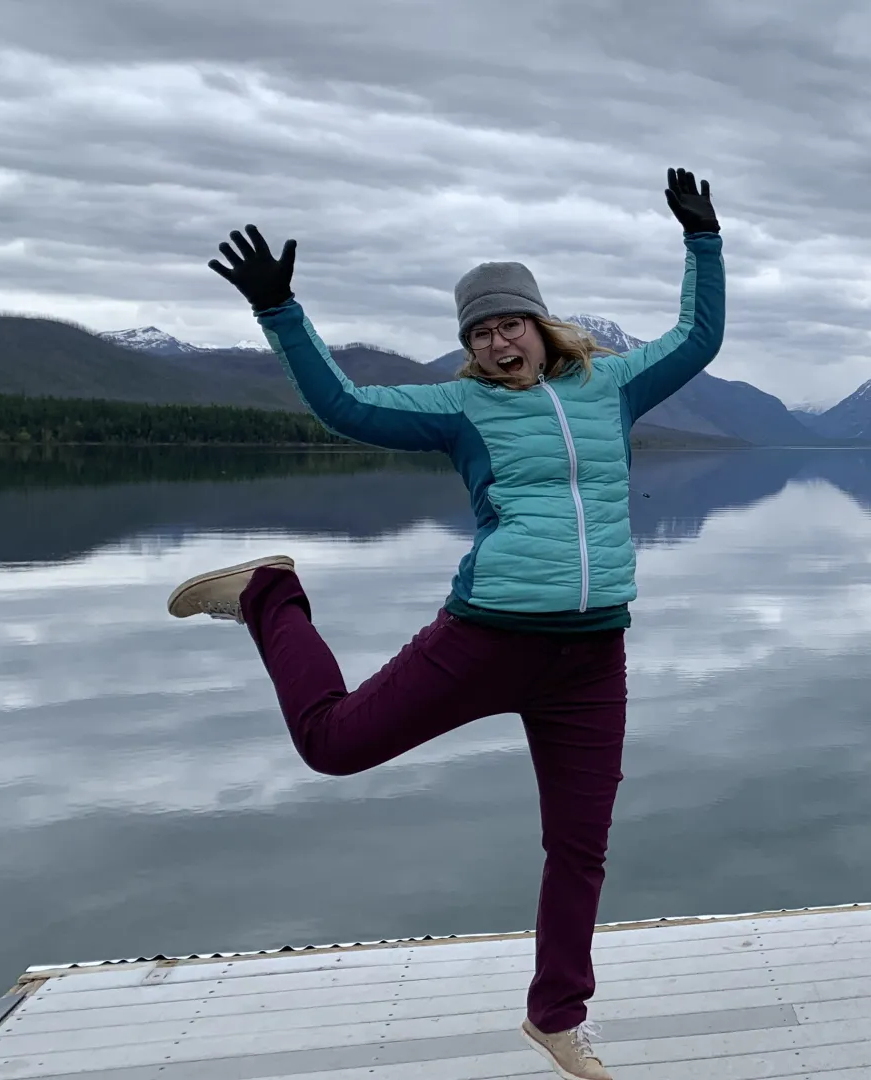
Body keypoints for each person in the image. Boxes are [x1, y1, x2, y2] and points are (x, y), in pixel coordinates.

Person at [165, 169, 725, 1080]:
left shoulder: (613, 387)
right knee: (334, 746)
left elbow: (699, 336)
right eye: (479, 331)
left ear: (542, 324)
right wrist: (283, 314)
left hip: (592, 656)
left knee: (580, 847)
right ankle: (268, 594)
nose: (498, 340)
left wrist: (703, 241)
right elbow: (344, 405)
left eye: (510, 322)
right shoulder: (461, 407)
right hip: (490, 638)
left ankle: (556, 1016)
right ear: (469, 347)